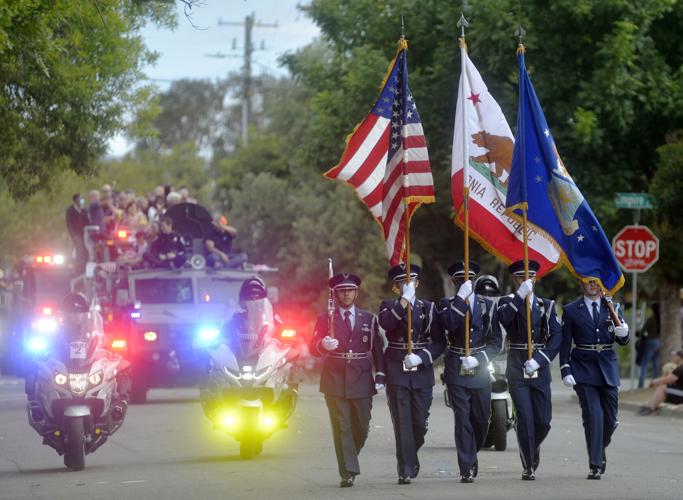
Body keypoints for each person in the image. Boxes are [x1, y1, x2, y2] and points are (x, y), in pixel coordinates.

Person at [310, 272, 385, 488]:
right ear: (336, 293)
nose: (346, 294)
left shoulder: (369, 319)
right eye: (342, 290)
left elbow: (378, 349)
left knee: (361, 426)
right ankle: (348, 472)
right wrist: (322, 345)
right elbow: (312, 346)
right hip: (334, 377)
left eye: (350, 290)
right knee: (341, 426)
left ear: (356, 293)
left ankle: (349, 456)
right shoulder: (325, 319)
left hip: (362, 377)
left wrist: (380, 374)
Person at [378, 263, 446, 485]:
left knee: (419, 421)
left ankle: (410, 455)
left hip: (421, 368)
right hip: (397, 367)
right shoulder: (388, 306)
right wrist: (403, 302)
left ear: (417, 283)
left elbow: (439, 342)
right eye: (402, 282)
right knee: (402, 421)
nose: (408, 285)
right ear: (396, 286)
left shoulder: (428, 308)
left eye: (411, 281)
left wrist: (422, 357)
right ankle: (405, 468)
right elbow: (387, 324)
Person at [436, 260, 503, 483]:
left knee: (481, 419)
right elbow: (448, 324)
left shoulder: (487, 306)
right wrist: (460, 301)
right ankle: (466, 467)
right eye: (460, 279)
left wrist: (479, 359)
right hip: (456, 366)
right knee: (462, 418)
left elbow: (496, 341)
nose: (466, 282)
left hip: (480, 367)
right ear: (454, 282)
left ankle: (472, 454)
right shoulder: (446, 305)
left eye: (470, 279)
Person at [497, 260, 562, 480]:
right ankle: (528, 464)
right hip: (517, 364)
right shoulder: (507, 302)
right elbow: (504, 319)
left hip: (539, 366)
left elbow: (556, 336)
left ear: (536, 278)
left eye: (530, 276)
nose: (527, 280)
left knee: (543, 420)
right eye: (521, 277)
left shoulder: (547, 305)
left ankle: (532, 445)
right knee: (524, 416)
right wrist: (519, 296)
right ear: (515, 279)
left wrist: (541, 360)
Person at [560, 278, 630, 480]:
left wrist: (624, 333)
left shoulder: (613, 306)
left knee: (611, 419)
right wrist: (566, 369)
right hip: (583, 367)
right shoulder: (572, 309)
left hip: (607, 367)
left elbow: (623, 341)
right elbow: (565, 343)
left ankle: (599, 447)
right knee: (594, 415)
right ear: (581, 283)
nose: (594, 285)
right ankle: (595, 463)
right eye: (590, 281)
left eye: (597, 281)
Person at [639, 349, 683, 415]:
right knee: (664, 388)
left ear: (680, 357)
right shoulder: (679, 368)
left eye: (675, 355)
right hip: (680, 392)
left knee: (663, 388)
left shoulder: (681, 368)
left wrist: (653, 382)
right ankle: (650, 405)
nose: (673, 357)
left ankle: (650, 408)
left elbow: (667, 379)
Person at [638, 303, 661, 388]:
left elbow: (643, 331)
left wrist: (646, 336)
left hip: (651, 341)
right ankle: (655, 383)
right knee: (656, 363)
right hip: (660, 341)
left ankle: (641, 385)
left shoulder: (651, 319)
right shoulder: (661, 319)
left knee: (645, 363)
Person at [65, 193, 90, 273]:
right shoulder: (70, 210)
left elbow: (87, 221)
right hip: (76, 234)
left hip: (85, 234)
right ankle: (78, 269)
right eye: (80, 199)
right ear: (75, 200)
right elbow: (69, 223)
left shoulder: (84, 210)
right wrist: (73, 235)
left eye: (82, 199)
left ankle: (84, 267)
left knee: (86, 250)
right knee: (79, 250)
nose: (81, 201)